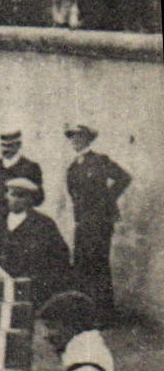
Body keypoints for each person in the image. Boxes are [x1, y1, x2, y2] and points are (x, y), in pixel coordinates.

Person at [63, 123, 131, 324]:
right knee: (82, 262)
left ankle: (104, 314)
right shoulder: (73, 167)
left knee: (98, 264)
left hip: (100, 222)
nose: (74, 141)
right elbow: (74, 195)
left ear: (87, 139)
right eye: (72, 137)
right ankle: (85, 312)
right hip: (83, 222)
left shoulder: (100, 161)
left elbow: (124, 178)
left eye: (78, 137)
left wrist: (107, 201)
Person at [0, 176, 71, 304]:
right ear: (6, 195)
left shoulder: (44, 224)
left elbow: (61, 256)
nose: (15, 200)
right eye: (12, 195)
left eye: (21, 196)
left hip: (31, 288)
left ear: (30, 200)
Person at [0, 129, 42, 253]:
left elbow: (38, 199)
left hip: (14, 231)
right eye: (3, 145)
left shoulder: (30, 167)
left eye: (10, 146)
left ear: (18, 146)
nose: (6, 149)